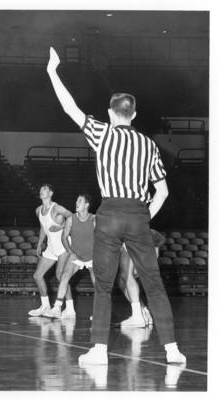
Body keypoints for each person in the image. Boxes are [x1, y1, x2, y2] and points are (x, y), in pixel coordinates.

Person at [47, 46, 186, 365]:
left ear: (111, 114)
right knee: (154, 284)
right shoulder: (149, 144)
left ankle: (98, 351)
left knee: (104, 284)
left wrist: (52, 71)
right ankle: (172, 349)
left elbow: (71, 108)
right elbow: (162, 191)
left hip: (108, 214)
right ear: (134, 115)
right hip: (138, 213)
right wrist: (142, 215)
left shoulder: (101, 133)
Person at [48, 194, 96, 319]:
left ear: (86, 205)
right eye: (76, 200)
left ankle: (99, 312)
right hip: (76, 256)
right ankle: (57, 307)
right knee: (64, 275)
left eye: (79, 201)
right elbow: (64, 237)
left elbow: (102, 238)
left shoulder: (94, 219)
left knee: (98, 284)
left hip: (92, 256)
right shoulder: (71, 219)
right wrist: (70, 251)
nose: (76, 202)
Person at [28, 184, 72, 317]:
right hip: (51, 246)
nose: (41, 191)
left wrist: (61, 227)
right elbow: (44, 227)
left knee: (60, 275)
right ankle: (45, 306)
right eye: (40, 189)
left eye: (45, 189)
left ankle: (70, 309)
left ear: (51, 193)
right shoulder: (38, 210)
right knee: (37, 275)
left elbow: (72, 217)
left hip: (63, 245)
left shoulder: (57, 208)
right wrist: (40, 243)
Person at [117, 229, 166, 327]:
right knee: (122, 280)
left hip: (134, 241)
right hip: (135, 242)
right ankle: (143, 312)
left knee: (127, 277)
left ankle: (138, 316)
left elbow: (159, 240)